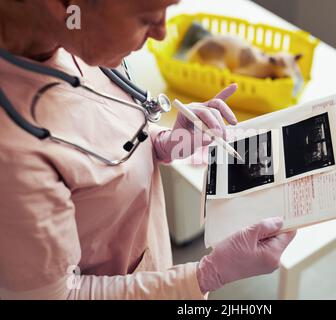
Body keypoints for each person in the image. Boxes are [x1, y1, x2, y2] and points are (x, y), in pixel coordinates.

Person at [0, 0, 296, 299]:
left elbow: (91, 118)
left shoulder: (67, 32)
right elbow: (59, 295)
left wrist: (162, 142)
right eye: (146, 19)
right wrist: (209, 274)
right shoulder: (11, 157)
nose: (162, 34)